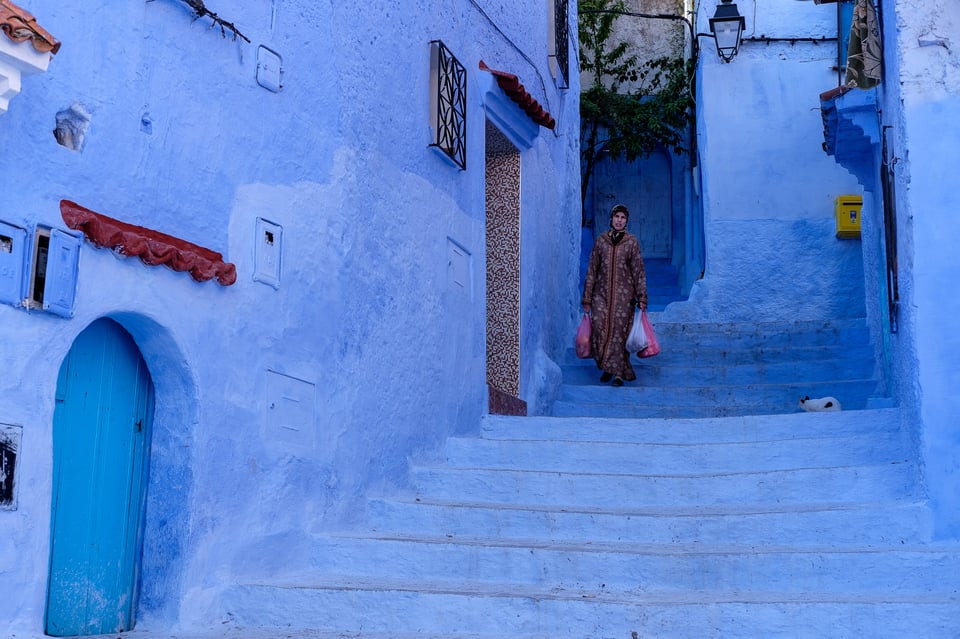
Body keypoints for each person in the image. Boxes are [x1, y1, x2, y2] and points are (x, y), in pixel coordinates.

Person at [581, 203, 648, 387]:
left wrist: (642, 296)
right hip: (600, 296)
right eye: (616, 217)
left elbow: (638, 271)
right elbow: (592, 270)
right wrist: (587, 298)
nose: (619, 220)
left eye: (623, 218)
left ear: (626, 221)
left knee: (620, 334)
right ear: (611, 219)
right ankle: (606, 366)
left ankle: (617, 373)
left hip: (624, 298)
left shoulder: (631, 242)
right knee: (600, 329)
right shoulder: (601, 241)